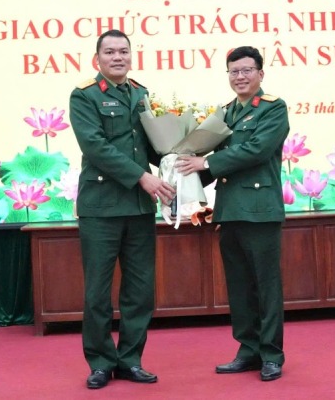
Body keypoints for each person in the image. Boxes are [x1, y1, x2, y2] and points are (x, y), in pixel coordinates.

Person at [175, 46, 290, 382]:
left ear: (260, 74)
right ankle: (248, 350)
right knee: (239, 287)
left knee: (266, 287)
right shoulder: (225, 113)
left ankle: (271, 355)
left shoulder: (273, 108)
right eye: (234, 71)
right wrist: (179, 168)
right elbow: (210, 159)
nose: (240, 76)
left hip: (260, 210)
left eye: (246, 70)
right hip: (229, 210)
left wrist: (205, 163)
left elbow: (256, 150)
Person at [69, 30, 175, 390]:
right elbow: (96, 147)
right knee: (98, 292)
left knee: (140, 290)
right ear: (97, 59)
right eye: (110, 52)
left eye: (124, 51)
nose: (118, 57)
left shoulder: (141, 94)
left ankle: (130, 360)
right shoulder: (83, 96)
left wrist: (180, 157)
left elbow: (151, 146)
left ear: (132, 56)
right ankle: (100, 362)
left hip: (138, 209)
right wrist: (143, 178)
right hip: (101, 208)